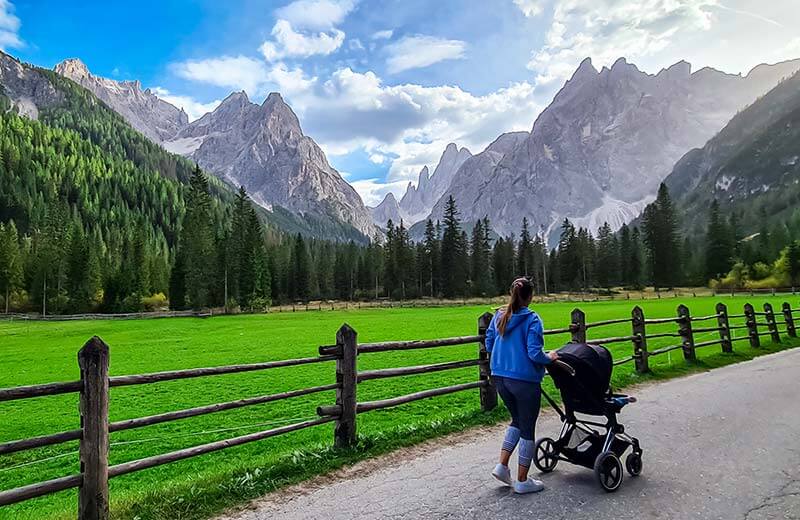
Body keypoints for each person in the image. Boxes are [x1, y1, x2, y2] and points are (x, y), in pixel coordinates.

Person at [485, 277, 558, 494]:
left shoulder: (499, 315)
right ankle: (523, 480)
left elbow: (489, 342)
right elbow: (534, 353)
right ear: (531, 296)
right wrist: (550, 357)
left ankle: (502, 465)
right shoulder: (532, 319)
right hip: (524, 380)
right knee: (527, 427)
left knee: (516, 420)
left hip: (499, 376)